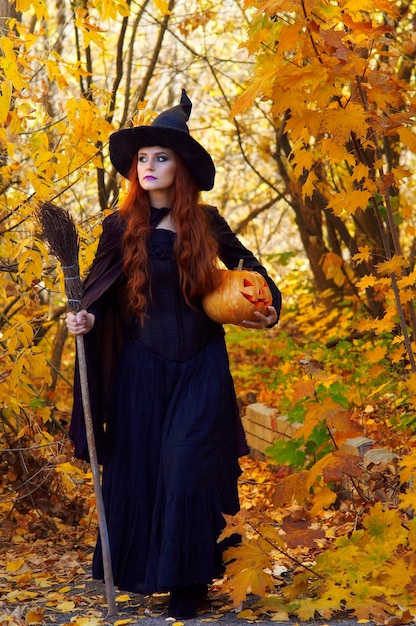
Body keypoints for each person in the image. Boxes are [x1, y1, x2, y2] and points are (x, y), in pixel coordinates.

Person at [66, 89, 281, 619]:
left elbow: (257, 274)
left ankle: (191, 580)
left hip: (202, 363)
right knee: (144, 468)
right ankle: (150, 573)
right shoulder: (119, 229)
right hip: (141, 367)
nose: (148, 166)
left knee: (190, 465)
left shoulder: (207, 225)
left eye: (161, 157)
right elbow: (102, 293)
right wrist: (86, 319)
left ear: (181, 167)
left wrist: (271, 305)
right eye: (142, 158)